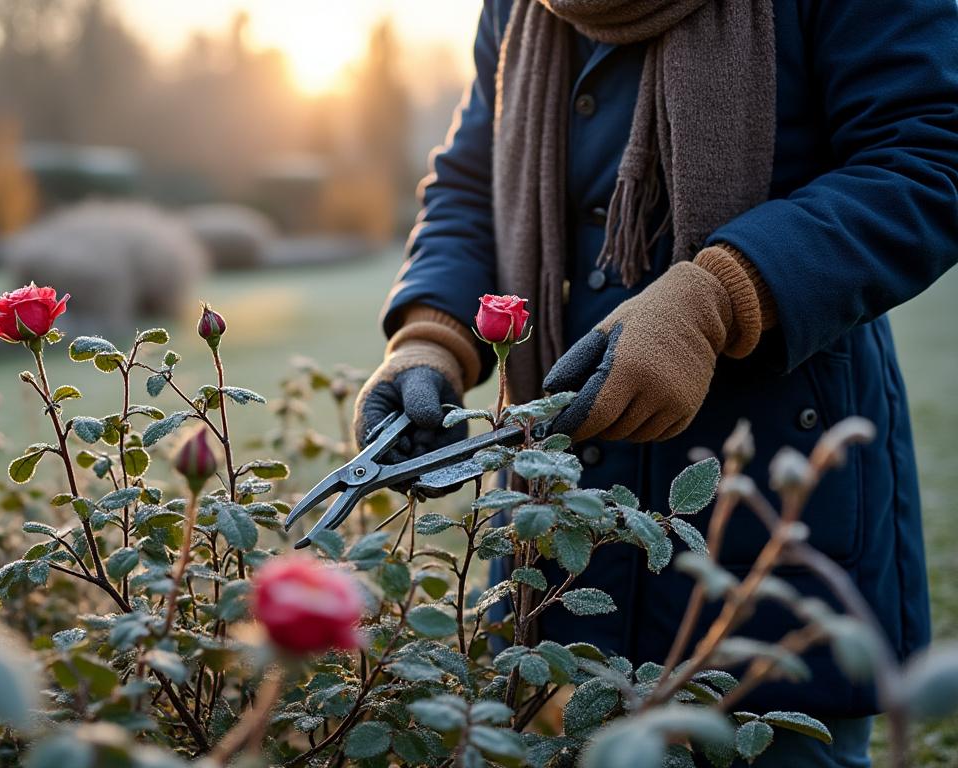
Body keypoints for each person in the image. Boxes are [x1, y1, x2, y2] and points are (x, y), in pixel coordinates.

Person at [354, 1, 958, 765]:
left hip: (770, 516)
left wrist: (721, 296)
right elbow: (472, 179)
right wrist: (431, 336)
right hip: (557, 538)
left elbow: (928, 153)